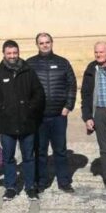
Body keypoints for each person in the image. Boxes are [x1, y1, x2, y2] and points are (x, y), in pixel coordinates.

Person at [0, 40, 45, 201]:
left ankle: (30, 187)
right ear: (4, 54)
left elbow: (39, 93)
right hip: (7, 123)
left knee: (28, 157)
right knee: (8, 157)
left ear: (18, 53)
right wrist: (1, 106)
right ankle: (10, 187)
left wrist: (30, 108)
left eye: (15, 53)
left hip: (27, 122)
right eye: (9, 53)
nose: (12, 56)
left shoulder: (28, 71)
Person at [27, 32, 77, 194]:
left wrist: (68, 106)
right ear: (37, 45)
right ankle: (42, 181)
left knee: (60, 150)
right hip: (39, 116)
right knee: (40, 151)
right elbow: (24, 88)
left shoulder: (63, 63)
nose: (45, 45)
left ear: (52, 43)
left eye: (47, 42)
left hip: (58, 115)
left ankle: (64, 181)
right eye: (41, 43)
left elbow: (72, 85)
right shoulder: (30, 64)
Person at [80, 41, 106, 194]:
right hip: (99, 112)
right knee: (104, 149)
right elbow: (85, 94)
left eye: (101, 52)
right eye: (96, 52)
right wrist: (87, 117)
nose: (98, 55)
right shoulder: (91, 68)